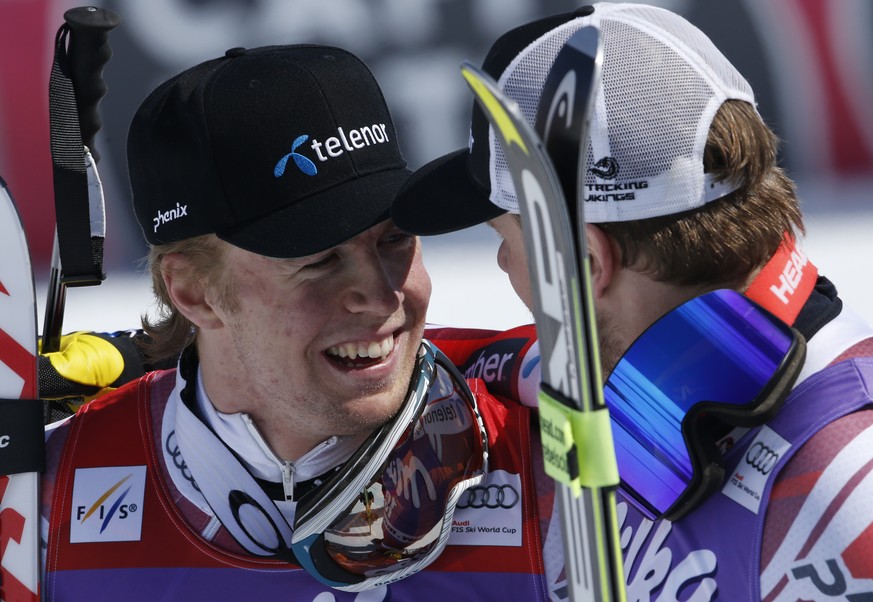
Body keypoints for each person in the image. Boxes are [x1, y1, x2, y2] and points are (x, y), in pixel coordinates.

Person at [38, 43, 554, 601]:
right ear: (195, 292)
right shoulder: (49, 498)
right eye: (319, 260)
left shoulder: (555, 460)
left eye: (395, 238)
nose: (380, 296)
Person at [392, 3, 873, 601]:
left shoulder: (848, 494)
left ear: (585, 263)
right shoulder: (664, 390)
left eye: (506, 238)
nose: (503, 266)